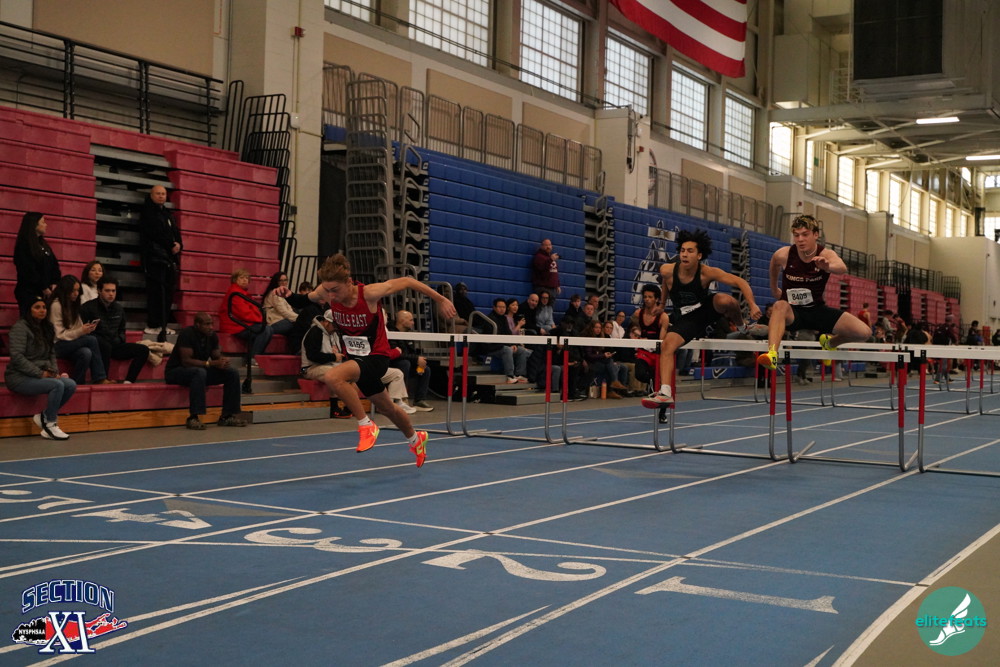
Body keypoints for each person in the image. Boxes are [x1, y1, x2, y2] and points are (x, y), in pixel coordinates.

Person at [294, 253, 456, 466]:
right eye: (328, 290)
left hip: (376, 357)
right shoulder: (326, 292)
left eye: (335, 290)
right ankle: (416, 439)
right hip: (357, 361)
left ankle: (366, 425)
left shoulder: (369, 293)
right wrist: (285, 295)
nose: (331, 296)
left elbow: (407, 281)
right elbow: (303, 299)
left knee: (333, 377)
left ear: (349, 282)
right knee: (389, 409)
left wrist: (441, 299)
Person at [642, 229, 762, 408]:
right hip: (686, 318)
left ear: (699, 255)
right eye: (682, 250)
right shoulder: (667, 270)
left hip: (706, 309)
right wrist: (662, 304)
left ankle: (741, 326)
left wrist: (752, 305)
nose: (684, 254)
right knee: (667, 345)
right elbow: (666, 281)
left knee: (727, 300)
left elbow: (740, 282)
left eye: (690, 251)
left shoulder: (707, 272)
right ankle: (665, 393)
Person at [756, 215, 871, 371]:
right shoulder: (784, 254)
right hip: (793, 312)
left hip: (817, 310)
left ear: (815, 234)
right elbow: (774, 265)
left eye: (805, 234)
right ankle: (772, 355)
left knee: (864, 332)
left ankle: (829, 343)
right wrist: (774, 287)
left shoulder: (825, 254)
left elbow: (842, 267)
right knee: (779, 305)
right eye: (796, 235)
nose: (800, 239)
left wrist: (828, 267)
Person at [301, 310, 415, 414]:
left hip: (336, 364)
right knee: (336, 373)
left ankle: (394, 403)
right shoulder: (314, 332)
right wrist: (333, 357)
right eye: (335, 325)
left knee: (391, 373)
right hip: (312, 367)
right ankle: (335, 408)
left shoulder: (335, 334)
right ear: (326, 322)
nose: (336, 328)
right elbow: (312, 356)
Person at [4, 295, 76, 440]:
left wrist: (54, 372)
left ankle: (44, 415)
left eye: (44, 307)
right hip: (19, 377)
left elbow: (51, 353)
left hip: (40, 373)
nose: (42, 310)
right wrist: (40, 373)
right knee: (56, 385)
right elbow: (17, 357)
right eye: (37, 307)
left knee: (70, 384)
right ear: (29, 310)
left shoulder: (47, 327)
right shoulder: (20, 328)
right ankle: (50, 424)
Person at [164, 312, 248, 430]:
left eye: (212, 324)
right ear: (197, 325)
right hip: (176, 371)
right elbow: (186, 361)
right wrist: (211, 363)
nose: (211, 327)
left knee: (231, 373)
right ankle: (193, 417)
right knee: (199, 372)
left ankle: (227, 416)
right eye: (207, 324)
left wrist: (222, 361)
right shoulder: (187, 334)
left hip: (198, 371)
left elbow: (215, 356)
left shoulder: (212, 336)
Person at [80, 277, 151, 384]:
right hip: (98, 346)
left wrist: (119, 339)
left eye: (113, 291)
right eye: (107, 291)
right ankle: (102, 379)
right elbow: (84, 331)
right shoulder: (87, 307)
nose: (111, 294)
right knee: (105, 345)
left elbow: (122, 329)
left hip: (115, 344)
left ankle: (128, 381)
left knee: (143, 350)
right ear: (99, 291)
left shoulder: (119, 308)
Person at [49, 275, 112, 385]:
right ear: (65, 290)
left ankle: (77, 384)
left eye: (78, 290)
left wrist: (86, 329)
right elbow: (58, 335)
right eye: (73, 290)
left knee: (86, 353)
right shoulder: (56, 305)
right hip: (56, 345)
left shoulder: (73, 304)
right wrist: (81, 331)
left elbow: (77, 328)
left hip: (69, 343)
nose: (76, 293)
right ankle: (100, 377)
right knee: (91, 340)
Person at [139, 185, 182, 337]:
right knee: (156, 292)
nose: (161, 196)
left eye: (163, 194)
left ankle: (162, 324)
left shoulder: (167, 213)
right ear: (151, 195)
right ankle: (153, 324)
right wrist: (171, 245)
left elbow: (175, 231)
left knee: (167, 293)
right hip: (154, 258)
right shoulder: (148, 212)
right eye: (158, 193)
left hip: (168, 259)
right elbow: (155, 233)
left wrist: (179, 244)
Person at [218, 268, 273, 364]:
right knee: (265, 330)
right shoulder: (235, 293)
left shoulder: (242, 293)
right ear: (235, 280)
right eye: (241, 278)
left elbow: (253, 311)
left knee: (268, 329)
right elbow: (244, 313)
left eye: (247, 278)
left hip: (242, 324)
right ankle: (252, 359)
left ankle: (253, 357)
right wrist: (262, 320)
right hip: (234, 326)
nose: (245, 280)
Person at [13, 212, 61, 315]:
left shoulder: (43, 244)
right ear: (34, 225)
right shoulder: (24, 245)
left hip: (46, 291)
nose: (46, 225)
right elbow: (28, 270)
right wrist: (43, 287)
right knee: (31, 319)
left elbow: (54, 264)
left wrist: (54, 282)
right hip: (29, 291)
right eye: (43, 222)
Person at [388, 309, 434, 412]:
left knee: (425, 369)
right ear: (402, 321)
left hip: (407, 362)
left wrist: (419, 361)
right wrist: (416, 359)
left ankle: (419, 400)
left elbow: (411, 352)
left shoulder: (408, 334)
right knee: (405, 364)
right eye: (411, 320)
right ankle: (400, 399)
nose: (413, 323)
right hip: (392, 363)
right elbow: (396, 354)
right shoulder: (391, 333)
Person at [487, 298, 530, 383]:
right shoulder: (489, 319)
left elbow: (509, 333)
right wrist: (509, 345)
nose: (502, 309)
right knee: (507, 350)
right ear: (494, 307)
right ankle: (510, 376)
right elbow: (496, 338)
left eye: (503, 307)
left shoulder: (504, 318)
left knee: (521, 350)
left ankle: (519, 374)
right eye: (499, 307)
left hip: (503, 345)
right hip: (493, 347)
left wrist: (513, 344)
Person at [262, 271, 299, 338]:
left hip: (283, 320)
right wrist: (300, 318)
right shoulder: (274, 293)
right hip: (274, 322)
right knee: (297, 325)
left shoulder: (284, 293)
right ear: (276, 282)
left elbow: (289, 310)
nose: (284, 282)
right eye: (281, 280)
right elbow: (283, 311)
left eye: (285, 280)